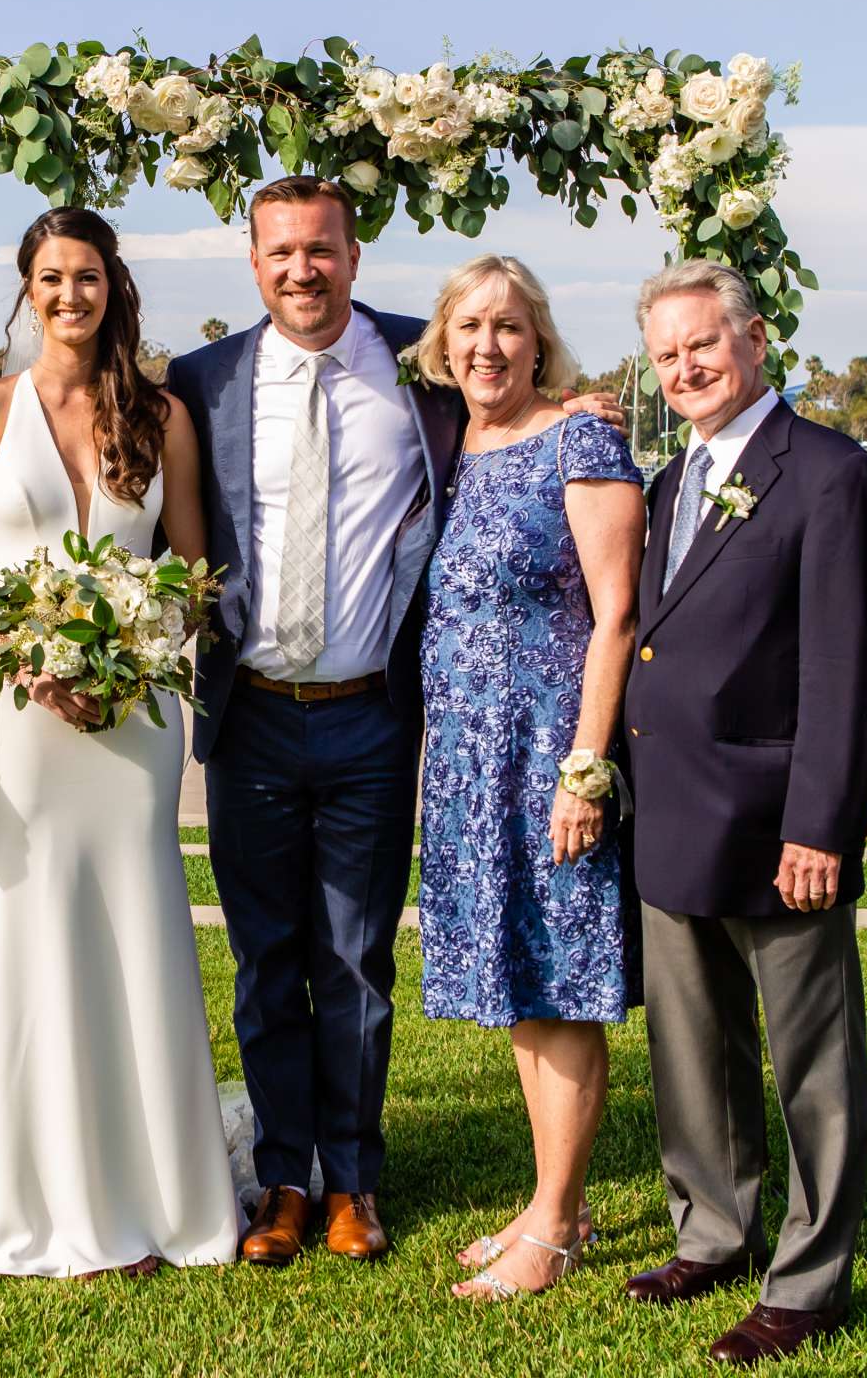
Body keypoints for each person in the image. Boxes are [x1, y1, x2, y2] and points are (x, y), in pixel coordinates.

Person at [165, 177, 621, 1267]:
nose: (301, 270)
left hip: (374, 718)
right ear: (255, 262)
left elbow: (525, 382)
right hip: (253, 717)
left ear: (354, 256)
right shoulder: (202, 381)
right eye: (280, 252)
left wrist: (589, 405)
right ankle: (282, 1177)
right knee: (267, 957)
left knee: (358, 957)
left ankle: (355, 1181)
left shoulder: (430, 364)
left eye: (320, 249)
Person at [0, 207, 242, 1278]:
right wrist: (20, 656)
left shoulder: (159, 418)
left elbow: (192, 575)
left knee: (136, 929)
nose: (70, 295)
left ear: (114, 286)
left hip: (133, 723)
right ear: (27, 286)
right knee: (32, 926)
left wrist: (136, 656)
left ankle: (153, 1197)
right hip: (17, 722)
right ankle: (31, 1191)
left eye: (88, 276)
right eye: (51, 277)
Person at [619, 260, 867, 1366]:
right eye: (666, 353)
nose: (685, 367)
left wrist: (821, 824)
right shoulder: (663, 482)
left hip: (779, 821)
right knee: (692, 1050)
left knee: (812, 1061)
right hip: (672, 814)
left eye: (703, 344)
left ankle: (811, 1277)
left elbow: (850, 664)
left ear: (755, 342)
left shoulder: (830, 476)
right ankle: (715, 1231)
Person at [410, 256, 645, 1302]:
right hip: (467, 762)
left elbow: (617, 615)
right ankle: (560, 1196)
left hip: (549, 752)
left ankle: (551, 1226)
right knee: (521, 984)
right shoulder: (450, 436)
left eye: (507, 326)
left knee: (561, 987)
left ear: (539, 337)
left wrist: (584, 773)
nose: (486, 345)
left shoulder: (580, 437)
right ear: (442, 340)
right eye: (468, 327)